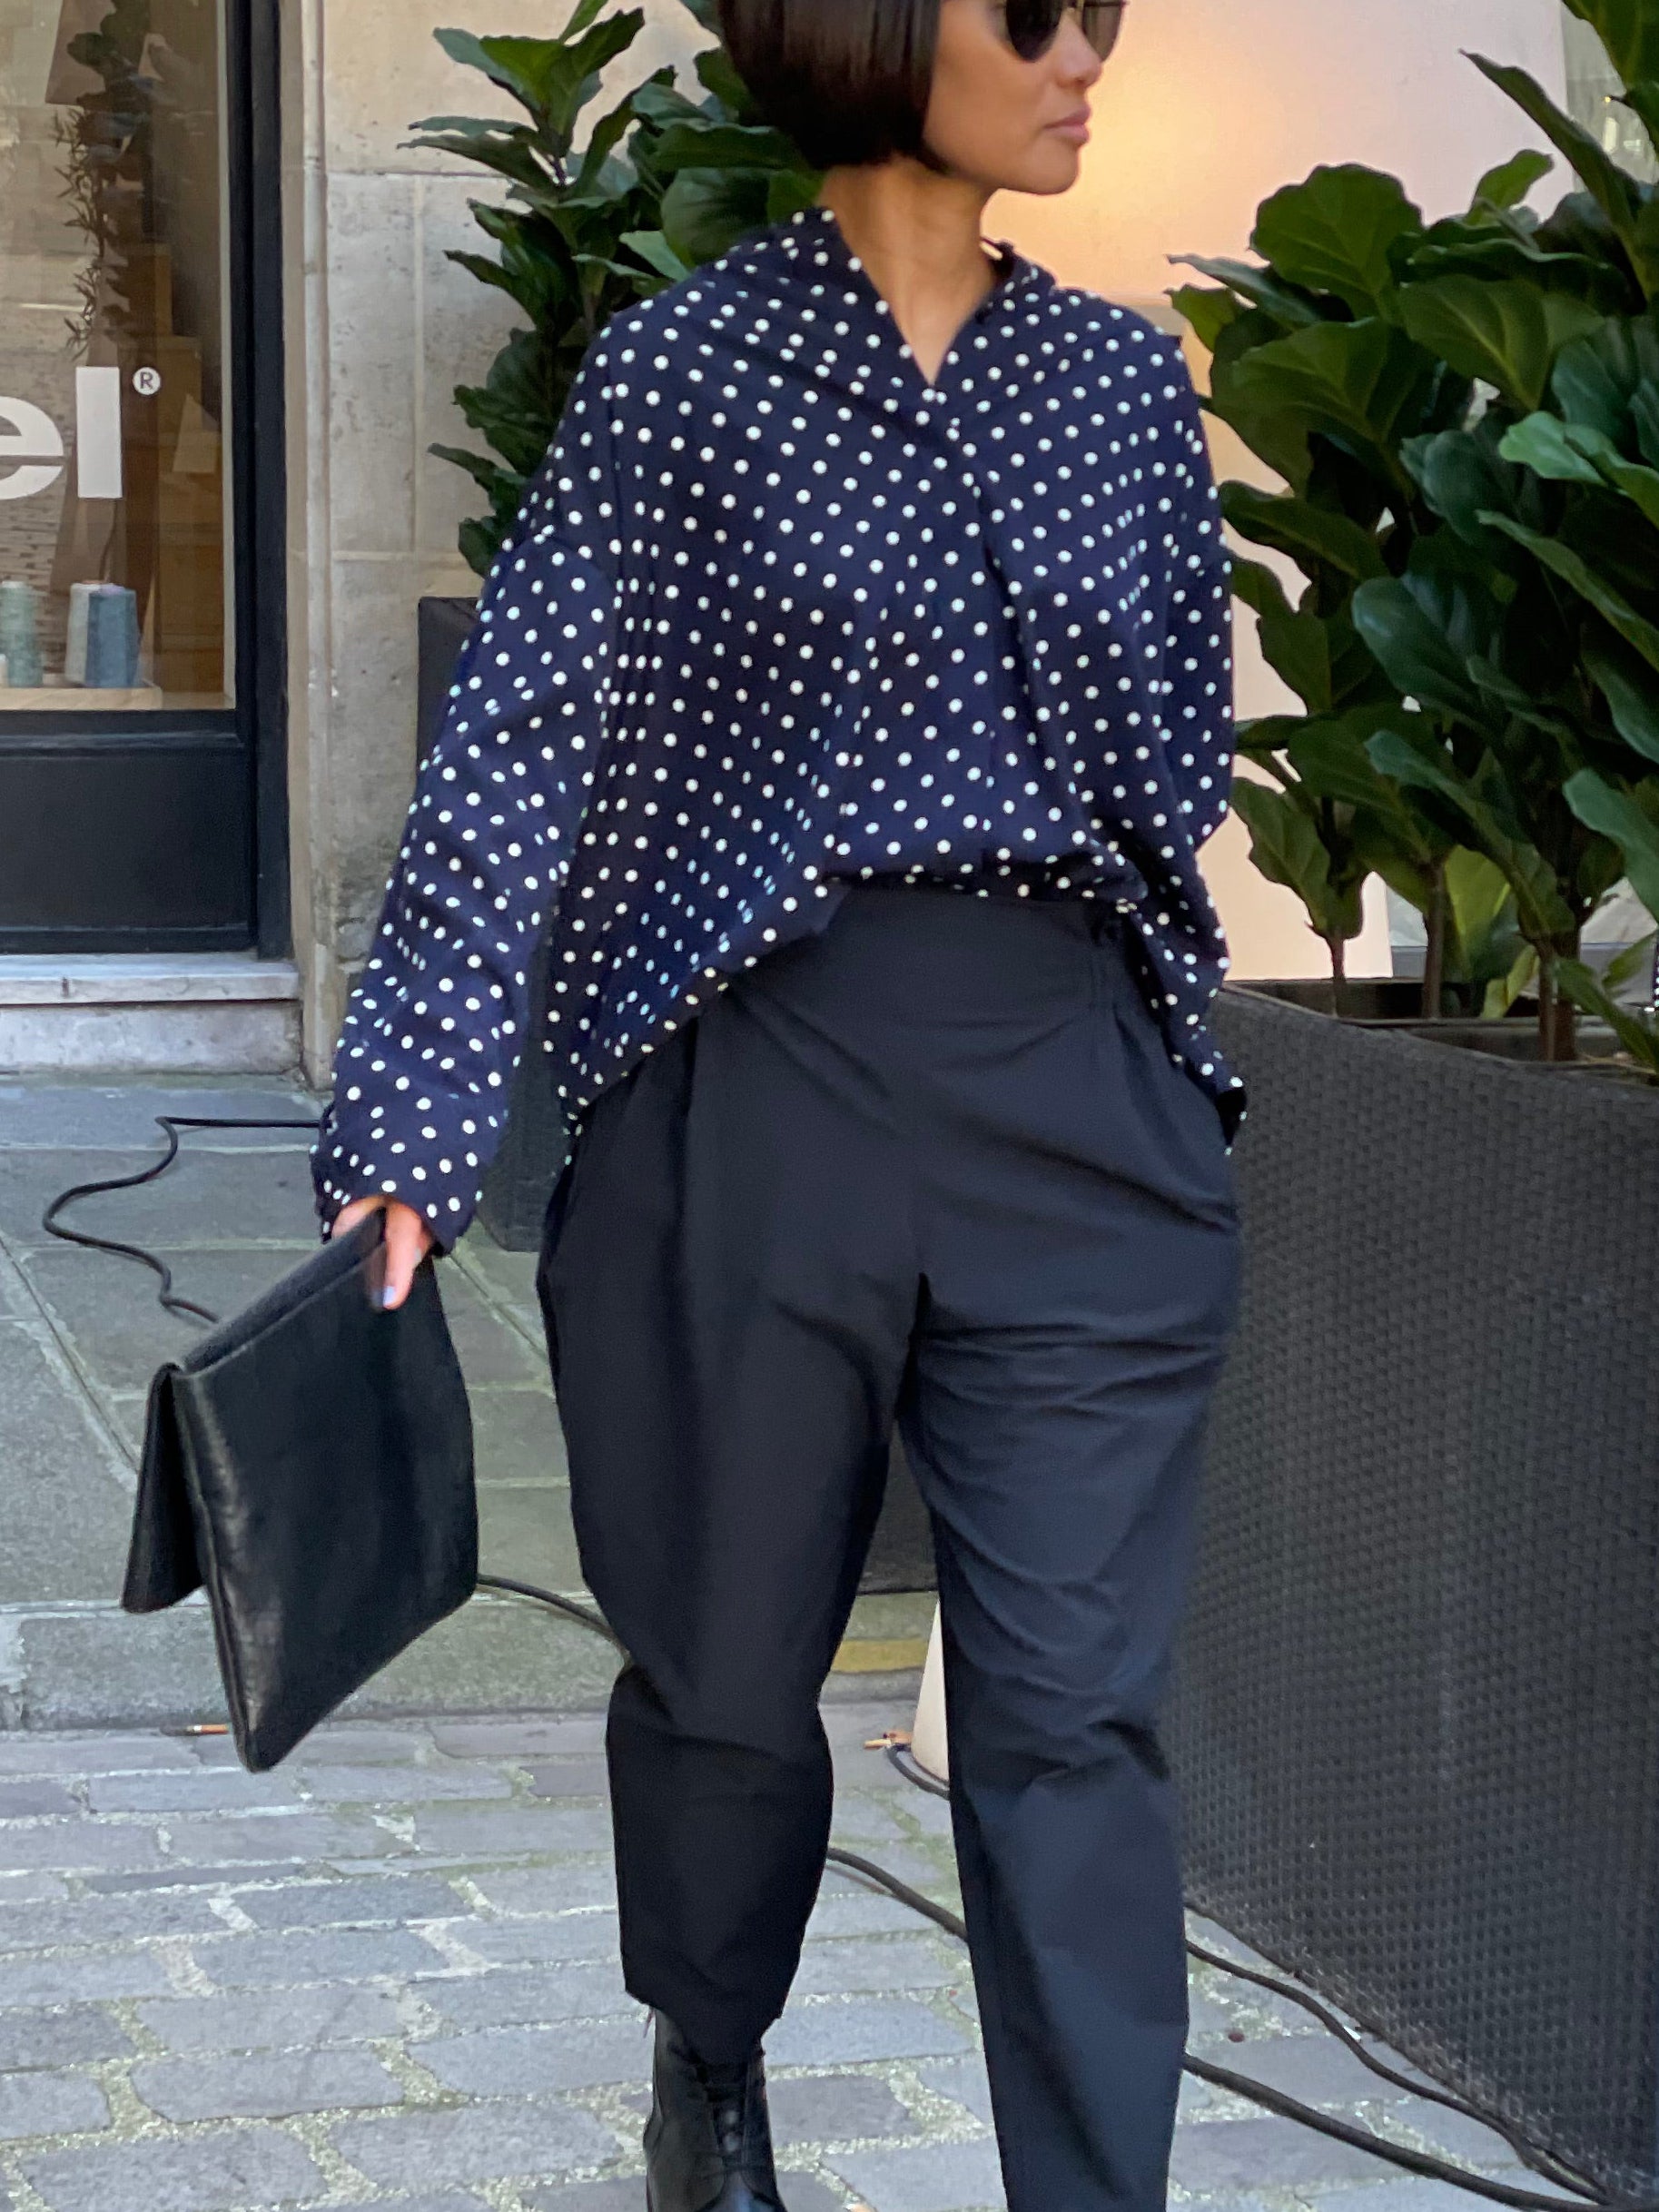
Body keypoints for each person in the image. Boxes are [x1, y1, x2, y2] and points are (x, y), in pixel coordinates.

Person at [314, 0, 1244, 2203]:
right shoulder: (684, 374)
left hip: (1069, 1099)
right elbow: (522, 738)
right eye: (1036, 15)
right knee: (726, 1686)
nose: (1082, 59)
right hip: (756, 1091)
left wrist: (1159, 1061)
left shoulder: (1118, 386)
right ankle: (708, 2069)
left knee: (1067, 1720)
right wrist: (416, 1123)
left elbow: (1175, 754)